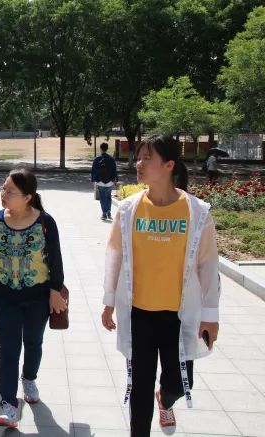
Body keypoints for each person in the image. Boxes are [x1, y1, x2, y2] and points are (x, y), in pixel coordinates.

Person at [100, 134, 220, 436]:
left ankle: (165, 401)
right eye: (139, 157)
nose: (138, 164)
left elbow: (208, 264)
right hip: (139, 314)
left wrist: (210, 315)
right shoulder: (128, 209)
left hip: (180, 317)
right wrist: (109, 300)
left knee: (179, 384)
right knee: (139, 387)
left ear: (169, 165)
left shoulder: (197, 212)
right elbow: (115, 255)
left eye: (147, 158)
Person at [0, 168, 66, 429]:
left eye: (10, 191)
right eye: (3, 188)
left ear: (27, 197)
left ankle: (29, 378)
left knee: (33, 342)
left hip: (38, 296)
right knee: (8, 348)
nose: (3, 193)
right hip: (4, 295)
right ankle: (9, 405)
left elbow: (56, 261)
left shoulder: (45, 222)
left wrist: (55, 292)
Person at [91, 142, 118, 220]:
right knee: (108, 197)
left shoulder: (97, 159)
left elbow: (94, 170)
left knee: (102, 198)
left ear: (100, 148)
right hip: (110, 182)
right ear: (107, 148)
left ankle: (104, 214)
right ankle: (109, 213)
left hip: (100, 182)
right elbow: (114, 170)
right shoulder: (112, 159)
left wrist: (94, 180)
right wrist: (115, 180)